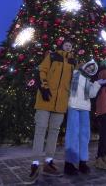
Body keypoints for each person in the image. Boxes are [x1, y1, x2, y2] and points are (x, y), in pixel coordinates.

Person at [27, 40, 76, 184]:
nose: (68, 46)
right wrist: (44, 87)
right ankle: (35, 163)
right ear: (62, 46)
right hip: (45, 98)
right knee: (40, 130)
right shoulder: (52, 56)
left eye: (70, 45)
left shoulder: (73, 62)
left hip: (60, 103)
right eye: (66, 44)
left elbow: (75, 80)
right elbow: (42, 70)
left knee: (54, 131)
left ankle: (49, 162)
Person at [64, 60, 106, 175]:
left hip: (85, 109)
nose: (89, 70)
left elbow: (92, 94)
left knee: (84, 135)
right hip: (73, 106)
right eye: (89, 67)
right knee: (73, 134)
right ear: (85, 66)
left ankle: (83, 162)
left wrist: (97, 84)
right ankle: (69, 163)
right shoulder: (75, 73)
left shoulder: (89, 81)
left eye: (92, 70)